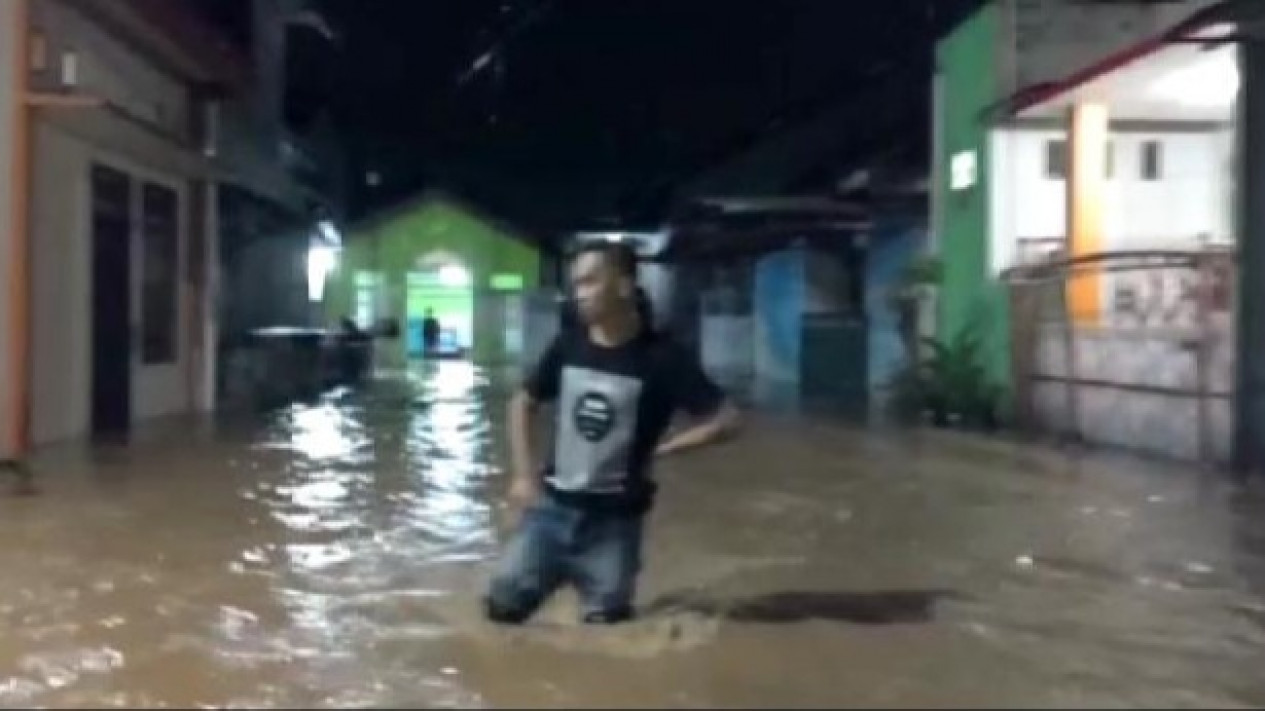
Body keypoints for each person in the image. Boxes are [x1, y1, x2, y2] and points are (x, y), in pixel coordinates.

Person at [486, 241, 741, 625]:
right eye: (575, 285)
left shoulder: (664, 358)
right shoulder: (569, 344)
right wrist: (522, 475)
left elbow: (728, 419)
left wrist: (669, 448)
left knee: (607, 633)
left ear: (623, 286)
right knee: (500, 616)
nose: (579, 294)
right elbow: (522, 402)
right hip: (551, 514)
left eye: (589, 282)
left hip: (615, 529)